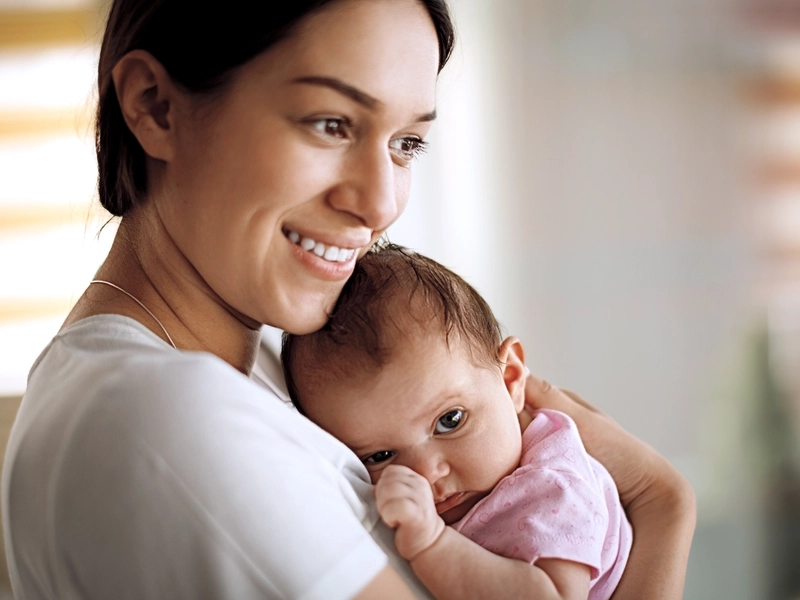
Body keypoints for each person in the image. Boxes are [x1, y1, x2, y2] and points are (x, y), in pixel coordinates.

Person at [1, 1, 695, 599]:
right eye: (331, 123)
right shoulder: (170, 418)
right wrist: (664, 505)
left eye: (407, 143)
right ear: (156, 107)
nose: (380, 204)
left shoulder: (268, 368)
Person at [282, 243, 632, 600]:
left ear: (511, 379)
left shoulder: (553, 486)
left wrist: (432, 542)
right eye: (380, 456)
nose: (427, 473)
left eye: (450, 420)